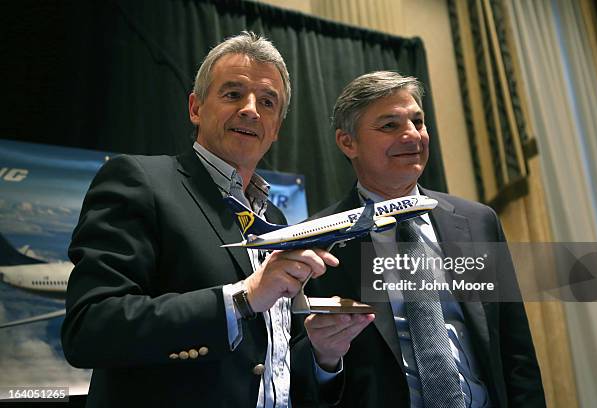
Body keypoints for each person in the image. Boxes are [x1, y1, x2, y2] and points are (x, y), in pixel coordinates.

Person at [61, 32, 372, 407]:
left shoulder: (273, 217)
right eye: (232, 94)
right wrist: (242, 298)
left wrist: (324, 355)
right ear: (195, 108)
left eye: (268, 102)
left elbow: (266, 367)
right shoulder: (140, 181)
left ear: (275, 129)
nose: (251, 109)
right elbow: (90, 329)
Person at [306, 71, 546, 407]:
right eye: (389, 125)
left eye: (417, 121)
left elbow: (515, 351)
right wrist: (324, 360)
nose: (412, 136)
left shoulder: (478, 223)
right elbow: (306, 375)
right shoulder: (316, 242)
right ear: (348, 143)